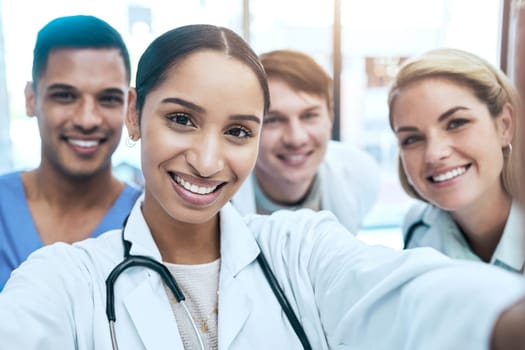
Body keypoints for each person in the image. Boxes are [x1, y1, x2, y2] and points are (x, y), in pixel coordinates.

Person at [1, 24, 525, 350]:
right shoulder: (65, 280)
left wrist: (505, 320)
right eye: (182, 119)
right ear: (135, 115)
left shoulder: (300, 248)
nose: (208, 161)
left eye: (237, 131)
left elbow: (412, 294)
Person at [0, 15, 141, 289]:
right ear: (31, 100)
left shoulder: (150, 222)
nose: (87, 120)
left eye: (108, 98)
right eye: (65, 96)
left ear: (129, 106)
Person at [388, 48, 525, 273]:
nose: (434, 153)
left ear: (504, 126)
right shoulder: (417, 229)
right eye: (412, 139)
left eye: (456, 123)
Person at [232, 50, 380, 234]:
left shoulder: (360, 174)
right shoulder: (221, 198)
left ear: (330, 117)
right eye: (273, 120)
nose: (296, 138)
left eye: (309, 116)